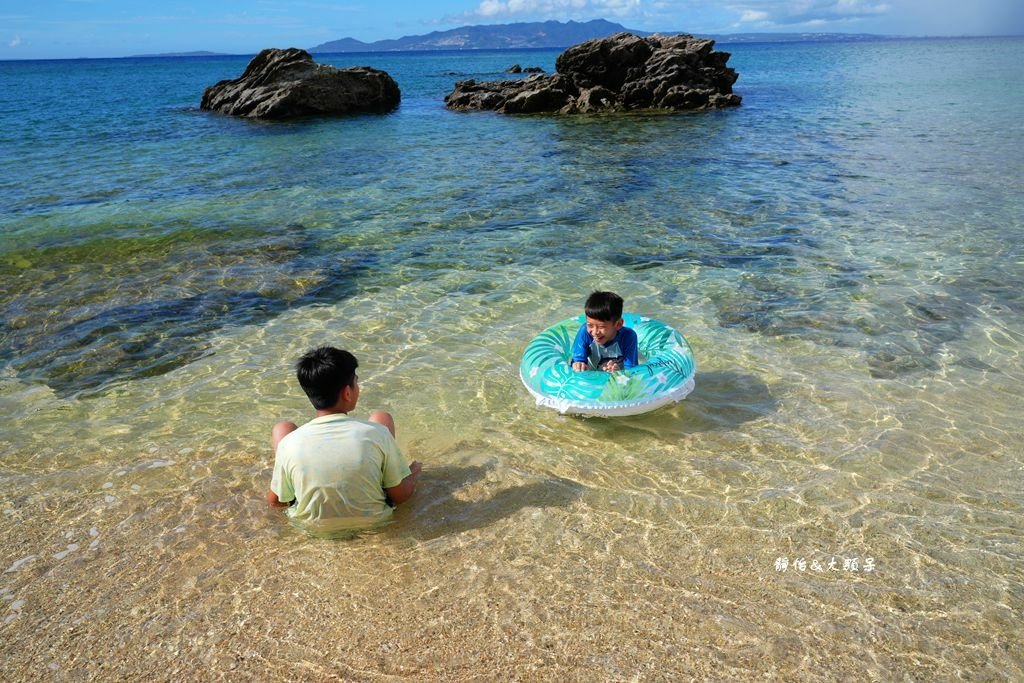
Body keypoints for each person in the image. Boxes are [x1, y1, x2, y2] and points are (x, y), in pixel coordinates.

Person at [267, 346, 421, 535]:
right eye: (356, 382)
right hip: (374, 522)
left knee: (283, 428)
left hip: (312, 528)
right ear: (347, 393)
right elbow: (400, 496)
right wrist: (413, 474)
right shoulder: (377, 433)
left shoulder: (289, 443)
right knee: (381, 417)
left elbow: (276, 502)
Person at [570, 291, 639, 373]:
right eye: (590, 325)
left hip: (616, 376)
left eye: (601, 327)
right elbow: (578, 360)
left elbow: (631, 369)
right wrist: (578, 365)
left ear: (618, 324)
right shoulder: (585, 332)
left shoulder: (628, 337)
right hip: (592, 374)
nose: (595, 332)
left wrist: (619, 372)